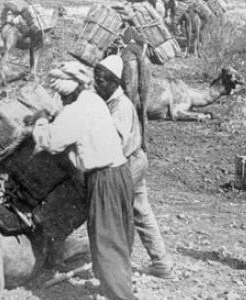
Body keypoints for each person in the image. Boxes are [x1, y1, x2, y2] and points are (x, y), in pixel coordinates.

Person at [29, 61, 135, 300]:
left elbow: (51, 142)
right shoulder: (94, 100)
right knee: (119, 235)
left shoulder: (73, 111)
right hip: (121, 172)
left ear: (66, 93)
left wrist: (40, 122)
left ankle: (122, 295)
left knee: (106, 242)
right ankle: (118, 286)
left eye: (60, 95)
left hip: (104, 178)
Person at [94, 55, 174, 279]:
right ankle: (162, 262)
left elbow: (114, 141)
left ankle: (119, 265)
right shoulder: (112, 101)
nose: (96, 84)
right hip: (135, 159)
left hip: (128, 162)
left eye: (100, 80)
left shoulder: (120, 106)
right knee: (141, 209)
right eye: (95, 79)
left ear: (114, 82)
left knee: (118, 212)